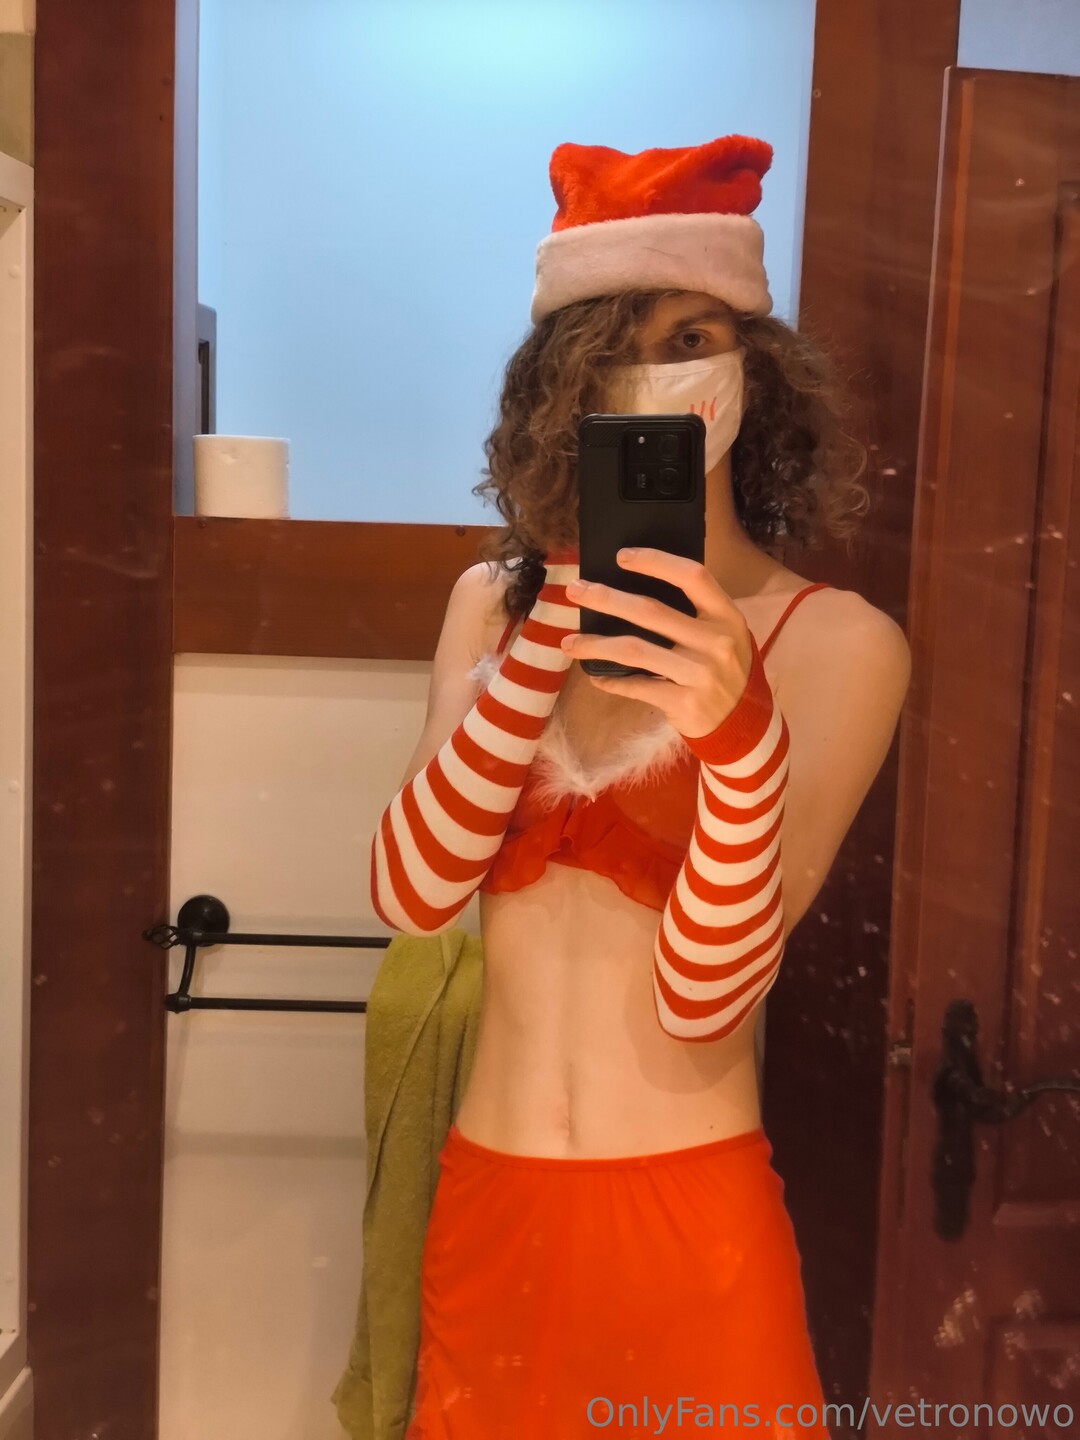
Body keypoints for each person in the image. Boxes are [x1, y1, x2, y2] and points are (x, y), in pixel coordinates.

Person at [370, 135, 912, 1439]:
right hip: (493, 1212)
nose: (661, 376)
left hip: (688, 1224)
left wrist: (740, 741)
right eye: (619, 345)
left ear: (755, 371)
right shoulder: (487, 608)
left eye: (695, 337)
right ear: (565, 383)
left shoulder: (835, 645)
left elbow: (703, 996)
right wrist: (546, 631)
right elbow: (412, 896)